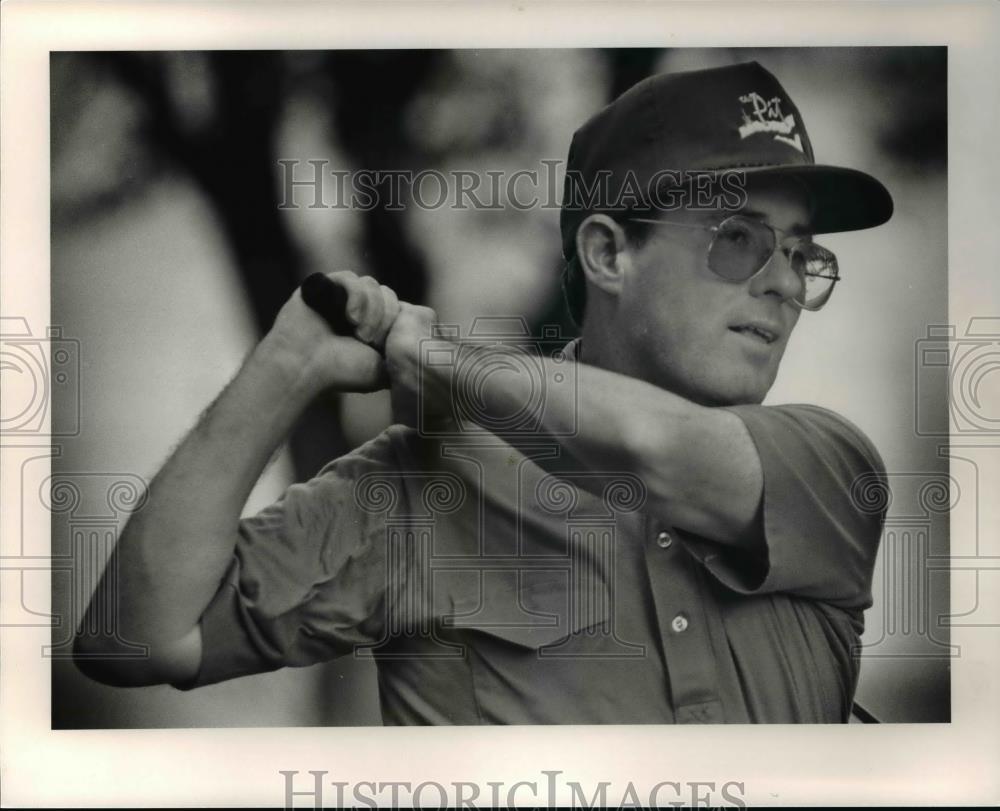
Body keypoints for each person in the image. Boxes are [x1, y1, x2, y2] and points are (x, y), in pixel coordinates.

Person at [74, 61, 893, 724]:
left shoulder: (830, 468)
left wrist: (437, 361)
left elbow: (658, 448)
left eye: (799, 253)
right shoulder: (422, 483)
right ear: (609, 254)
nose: (785, 282)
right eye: (740, 239)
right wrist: (283, 368)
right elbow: (133, 641)